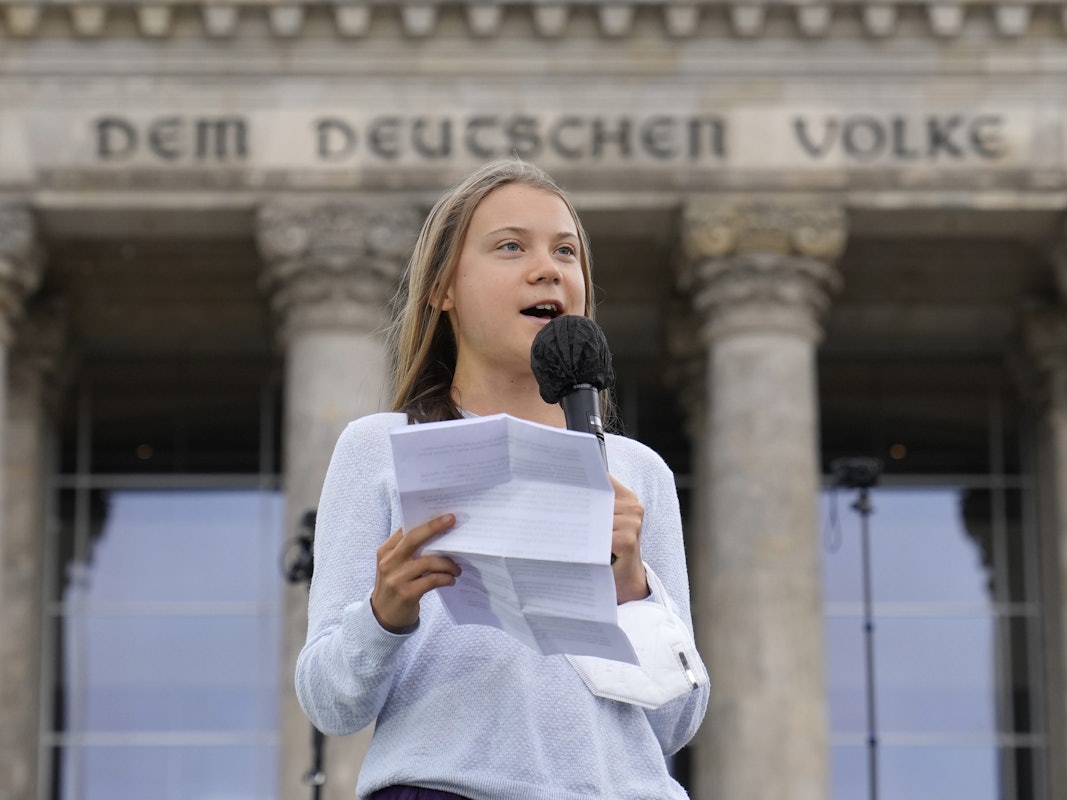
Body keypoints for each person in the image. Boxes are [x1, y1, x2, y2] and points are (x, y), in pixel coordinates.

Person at [295, 159, 709, 800]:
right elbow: (330, 704)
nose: (548, 268)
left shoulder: (636, 471)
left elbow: (676, 723)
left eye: (566, 252)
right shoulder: (381, 447)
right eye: (511, 246)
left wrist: (631, 588)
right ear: (442, 289)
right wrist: (385, 613)